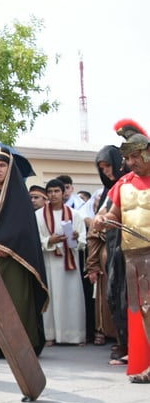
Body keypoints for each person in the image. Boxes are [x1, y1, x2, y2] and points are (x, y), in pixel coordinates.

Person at [0, 148, 49, 359]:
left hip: (15, 259)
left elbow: (25, 229)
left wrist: (5, 246)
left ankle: (20, 345)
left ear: (9, 168)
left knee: (17, 301)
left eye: (2, 165)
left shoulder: (20, 196)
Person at [93, 120, 150, 382]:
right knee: (144, 312)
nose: (130, 162)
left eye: (135, 156)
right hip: (133, 257)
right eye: (127, 157)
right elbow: (112, 212)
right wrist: (102, 218)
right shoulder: (123, 183)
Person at [84, 145, 127, 352]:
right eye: (102, 168)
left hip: (132, 250)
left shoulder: (129, 186)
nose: (106, 172)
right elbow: (94, 228)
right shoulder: (108, 193)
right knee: (114, 297)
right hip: (109, 253)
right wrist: (92, 263)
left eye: (109, 166)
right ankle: (121, 342)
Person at [36, 178, 87, 346]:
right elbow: (36, 240)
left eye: (57, 191)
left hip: (69, 262)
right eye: (50, 192)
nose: (53, 195)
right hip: (49, 262)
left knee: (72, 299)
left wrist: (76, 237)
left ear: (63, 193)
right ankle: (50, 335)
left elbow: (83, 240)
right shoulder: (39, 216)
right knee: (52, 298)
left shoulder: (75, 214)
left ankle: (75, 336)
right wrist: (50, 240)